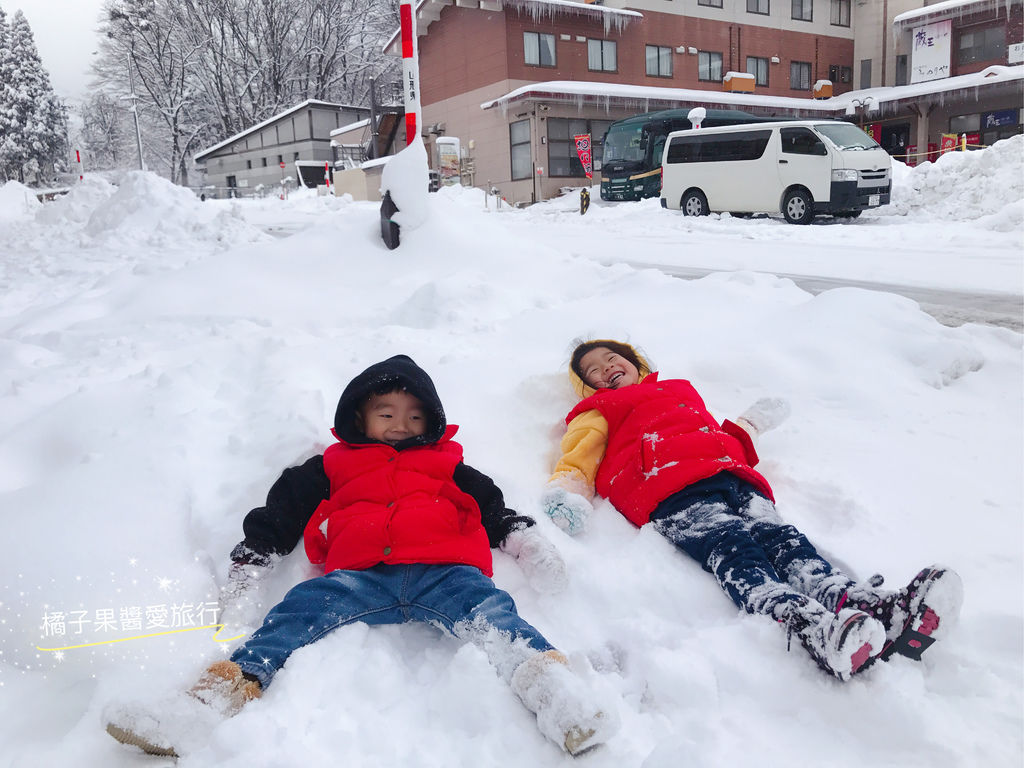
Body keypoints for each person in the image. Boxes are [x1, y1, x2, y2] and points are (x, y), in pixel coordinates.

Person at [107, 355, 616, 757]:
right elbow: (282, 511)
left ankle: (554, 692)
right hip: (357, 575)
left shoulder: (447, 464)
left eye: (415, 415)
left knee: (492, 615)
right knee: (294, 614)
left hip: (445, 572)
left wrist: (524, 540)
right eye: (386, 413)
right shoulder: (332, 465)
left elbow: (492, 507)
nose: (400, 424)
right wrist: (254, 560)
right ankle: (209, 701)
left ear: (432, 421)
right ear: (360, 417)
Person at [542, 339, 962, 682]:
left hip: (731, 475)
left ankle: (870, 607)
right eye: (593, 369)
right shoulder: (598, 411)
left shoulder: (680, 390)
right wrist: (566, 491)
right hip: (668, 488)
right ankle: (808, 627)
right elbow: (578, 457)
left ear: (635, 361)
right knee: (735, 550)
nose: (606, 367)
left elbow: (710, 435)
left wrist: (747, 427)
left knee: (787, 542)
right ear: (587, 386)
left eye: (612, 358)